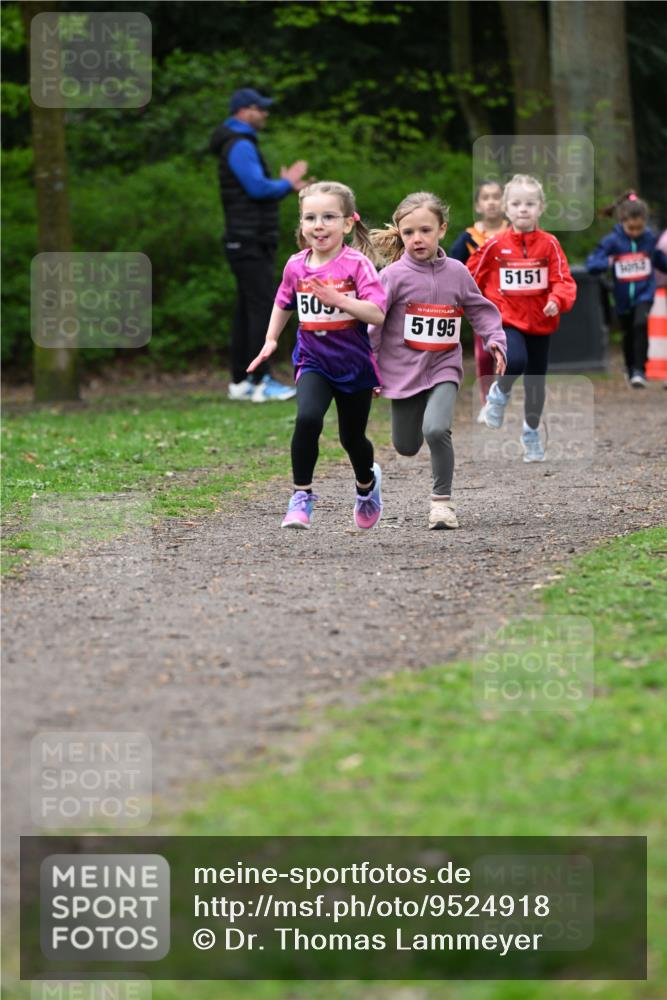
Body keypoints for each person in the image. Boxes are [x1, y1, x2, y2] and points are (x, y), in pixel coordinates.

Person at [247, 181, 387, 529]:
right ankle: (301, 496)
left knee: (352, 439)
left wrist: (339, 300)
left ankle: (366, 486)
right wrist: (271, 339)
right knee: (308, 418)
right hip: (313, 360)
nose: (318, 225)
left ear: (348, 223)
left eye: (328, 217)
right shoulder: (296, 265)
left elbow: (377, 313)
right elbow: (284, 302)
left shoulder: (357, 265)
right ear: (301, 224)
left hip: (354, 365)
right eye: (310, 218)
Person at [368, 192, 506, 530]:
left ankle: (442, 504)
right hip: (402, 372)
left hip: (444, 366)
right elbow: (374, 324)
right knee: (406, 446)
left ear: (442, 229)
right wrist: (368, 365)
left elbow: (479, 309)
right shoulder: (392, 276)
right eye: (409, 232)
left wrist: (495, 340)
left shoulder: (457, 272)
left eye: (425, 230)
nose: (417, 238)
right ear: (400, 234)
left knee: (436, 429)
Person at [467, 173, 576, 462]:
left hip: (540, 322)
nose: (523, 209)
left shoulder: (550, 244)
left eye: (529, 204)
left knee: (535, 383)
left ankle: (531, 432)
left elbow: (563, 279)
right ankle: (498, 394)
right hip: (506, 319)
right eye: (516, 204)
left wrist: (556, 299)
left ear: (541, 207)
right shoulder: (495, 245)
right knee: (515, 360)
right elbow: (471, 275)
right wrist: (473, 307)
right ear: (506, 208)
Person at [209, 87, 308, 402]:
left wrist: (284, 185)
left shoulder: (238, 142)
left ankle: (241, 381)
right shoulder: (239, 144)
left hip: (245, 239)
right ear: (242, 111)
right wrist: (286, 184)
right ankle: (261, 380)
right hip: (249, 240)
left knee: (246, 309)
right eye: (259, 108)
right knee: (263, 307)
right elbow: (257, 188)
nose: (264, 113)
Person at [586, 191, 659, 388]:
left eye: (639, 228)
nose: (635, 232)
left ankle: (640, 370)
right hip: (621, 296)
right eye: (631, 228)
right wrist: (608, 262)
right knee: (628, 331)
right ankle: (630, 368)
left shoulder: (649, 239)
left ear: (645, 222)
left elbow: (659, 259)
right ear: (622, 222)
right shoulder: (612, 241)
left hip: (645, 292)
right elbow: (592, 264)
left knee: (640, 324)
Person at [449, 180, 508, 417]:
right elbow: (453, 265)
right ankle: (486, 402)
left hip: (514, 304)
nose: (492, 202)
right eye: (486, 197)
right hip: (482, 304)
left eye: (496, 197)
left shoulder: (515, 233)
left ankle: (502, 393)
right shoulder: (468, 237)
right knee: (485, 354)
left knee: (513, 352)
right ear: (478, 205)